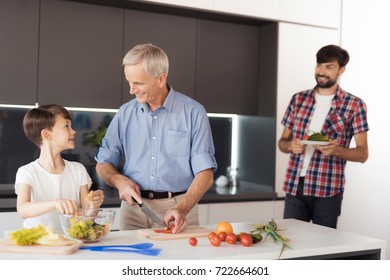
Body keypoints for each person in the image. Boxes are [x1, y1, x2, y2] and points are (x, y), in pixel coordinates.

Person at [95, 43, 217, 233]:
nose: (131, 90)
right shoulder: (125, 113)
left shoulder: (193, 112)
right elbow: (103, 164)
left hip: (179, 208)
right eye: (129, 82)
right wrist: (120, 181)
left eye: (139, 83)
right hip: (134, 208)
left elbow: (206, 174)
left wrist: (181, 208)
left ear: (161, 79)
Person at [278, 45, 369, 229]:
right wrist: (291, 146)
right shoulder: (298, 100)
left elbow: (362, 154)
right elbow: (282, 143)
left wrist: (337, 150)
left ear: (341, 70)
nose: (322, 71)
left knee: (324, 251)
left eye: (329, 67)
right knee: (290, 245)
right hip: (295, 186)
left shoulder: (354, 105)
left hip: (328, 189)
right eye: (319, 65)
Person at [15, 104, 104, 233]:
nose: (73, 131)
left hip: (69, 240)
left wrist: (93, 207)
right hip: (37, 242)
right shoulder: (27, 172)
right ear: (47, 134)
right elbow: (22, 209)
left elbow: (87, 217)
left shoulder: (78, 170)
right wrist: (55, 203)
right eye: (66, 126)